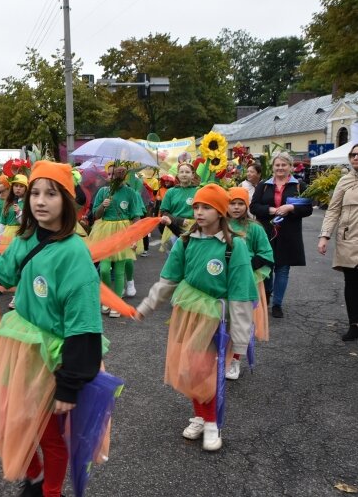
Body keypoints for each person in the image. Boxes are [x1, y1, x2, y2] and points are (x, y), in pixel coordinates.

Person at [0, 161, 102, 497]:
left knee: (47, 434)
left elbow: (84, 323)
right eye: (36, 193)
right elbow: (5, 272)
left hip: (53, 357)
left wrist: (68, 386)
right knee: (7, 419)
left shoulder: (74, 255)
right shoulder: (26, 238)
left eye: (51, 194)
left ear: (67, 202)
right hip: (21, 347)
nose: (40, 201)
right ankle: (35, 475)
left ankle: (50, 491)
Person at [136, 184, 256, 451]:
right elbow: (168, 280)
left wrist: (239, 340)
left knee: (204, 369)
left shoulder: (233, 246)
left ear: (220, 211)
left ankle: (212, 422)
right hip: (187, 314)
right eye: (197, 207)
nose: (199, 212)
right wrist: (147, 305)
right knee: (191, 369)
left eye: (207, 207)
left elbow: (240, 295)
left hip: (216, 317)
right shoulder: (187, 241)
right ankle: (201, 416)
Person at [250, 151, 313, 319]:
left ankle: (277, 304)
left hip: (289, 233)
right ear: (272, 167)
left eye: (284, 165)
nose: (280, 168)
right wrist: (272, 210)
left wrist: (290, 208)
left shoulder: (299, 186)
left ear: (290, 167)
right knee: (267, 266)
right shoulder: (264, 185)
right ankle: (268, 291)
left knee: (283, 268)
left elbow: (308, 208)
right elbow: (253, 207)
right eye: (277, 165)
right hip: (266, 232)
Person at [226, 187, 274, 379]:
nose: (236, 207)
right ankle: (220, 357)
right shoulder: (219, 224)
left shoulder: (254, 228)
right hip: (222, 279)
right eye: (232, 203)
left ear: (247, 206)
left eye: (240, 204)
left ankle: (235, 360)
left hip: (245, 280)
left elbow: (265, 254)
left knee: (239, 322)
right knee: (220, 321)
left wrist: (244, 266)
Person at [89, 163, 144, 317]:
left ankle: (117, 302)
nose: (113, 177)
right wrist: (103, 206)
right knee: (105, 269)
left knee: (119, 271)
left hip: (123, 233)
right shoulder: (103, 191)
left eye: (117, 174)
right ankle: (107, 300)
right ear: (107, 176)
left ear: (123, 175)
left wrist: (134, 238)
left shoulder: (130, 193)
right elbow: (96, 215)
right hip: (105, 233)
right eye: (110, 174)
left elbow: (136, 217)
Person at [318, 144, 358, 341]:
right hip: (349, 240)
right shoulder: (344, 181)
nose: (356, 157)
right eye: (353, 154)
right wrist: (324, 236)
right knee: (352, 283)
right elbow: (333, 210)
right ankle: (354, 324)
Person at [159, 162, 198, 252]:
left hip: (193, 229)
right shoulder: (171, 192)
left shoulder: (198, 191)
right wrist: (179, 221)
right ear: (177, 175)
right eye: (181, 172)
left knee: (191, 258)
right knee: (174, 260)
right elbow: (163, 212)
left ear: (193, 175)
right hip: (172, 228)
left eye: (187, 172)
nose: (184, 174)